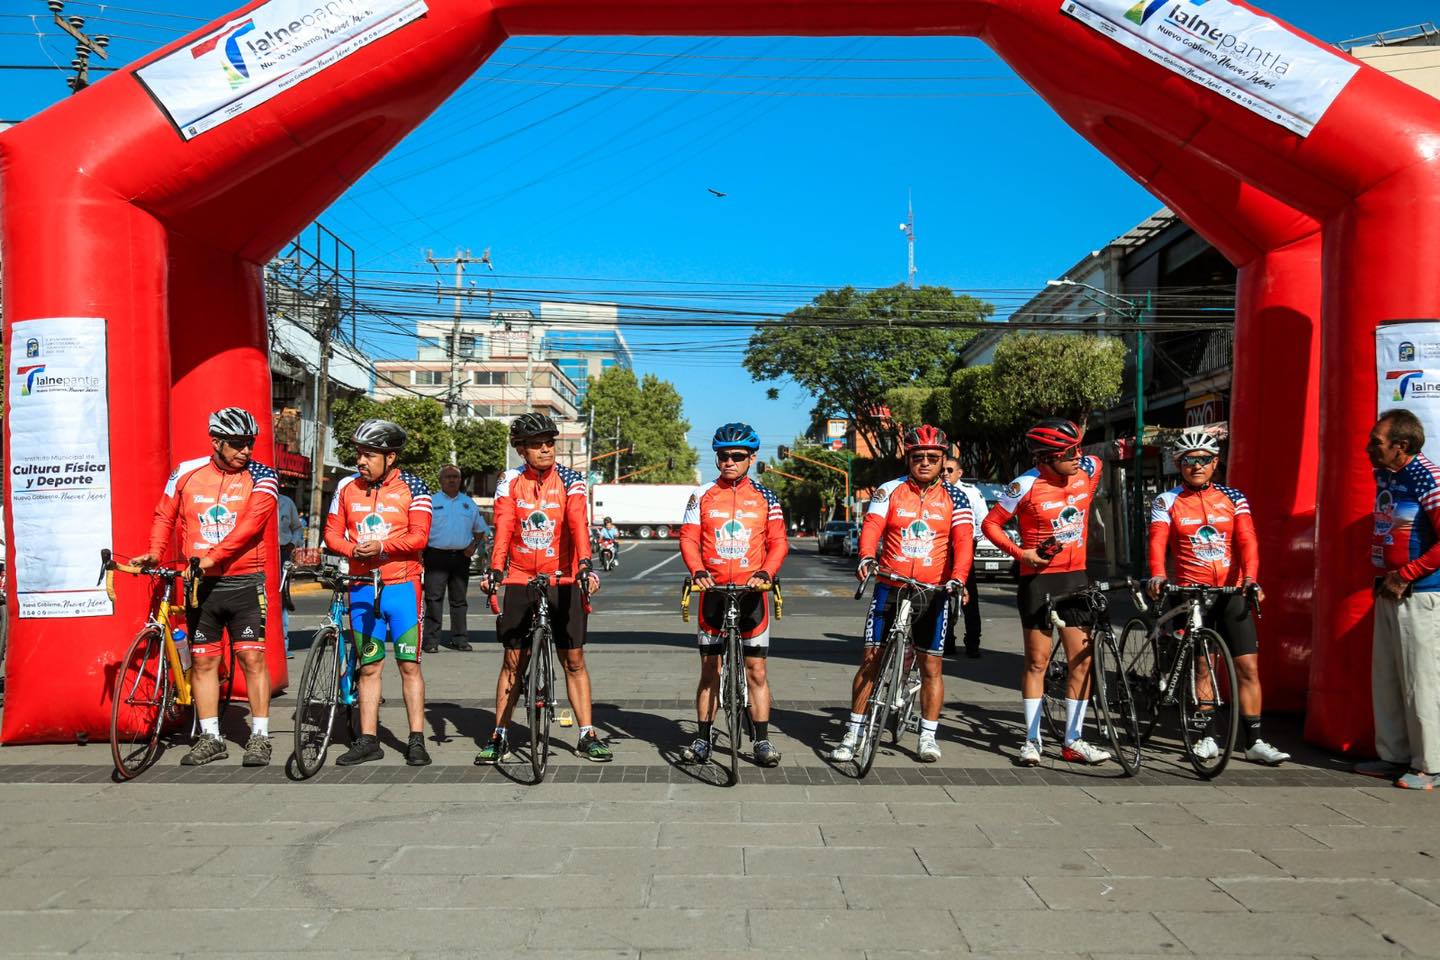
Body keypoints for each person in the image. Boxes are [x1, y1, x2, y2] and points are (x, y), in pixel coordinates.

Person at [133, 407, 279, 767]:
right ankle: (211, 737)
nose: (246, 451)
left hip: (244, 581)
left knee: (252, 658)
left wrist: (212, 557)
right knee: (203, 663)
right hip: (200, 586)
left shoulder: (264, 476)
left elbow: (250, 527)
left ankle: (260, 736)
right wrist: (154, 553)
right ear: (216, 442)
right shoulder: (185, 473)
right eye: (237, 444)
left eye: (250, 444)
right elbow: (164, 514)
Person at [831, 425, 974, 764]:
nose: (925, 463)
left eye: (932, 458)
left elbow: (964, 542)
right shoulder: (890, 490)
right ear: (908, 458)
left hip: (933, 591)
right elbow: (873, 527)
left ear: (943, 460)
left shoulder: (956, 497)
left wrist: (958, 578)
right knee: (870, 661)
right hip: (890, 587)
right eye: (918, 457)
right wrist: (866, 555)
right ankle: (853, 732)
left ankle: (927, 735)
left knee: (932, 667)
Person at [1148, 428, 1290, 766]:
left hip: (1231, 591)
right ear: (1178, 464)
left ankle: (1254, 741)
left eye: (1203, 460)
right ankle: (1207, 736)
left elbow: (1248, 541)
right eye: (1188, 461)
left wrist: (1251, 579)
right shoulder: (1166, 501)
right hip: (1190, 593)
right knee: (1202, 666)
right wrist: (1158, 574)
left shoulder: (1234, 498)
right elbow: (1157, 542)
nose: (1196, 466)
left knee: (1247, 668)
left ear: (1215, 463)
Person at [477, 413, 612, 763]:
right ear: (521, 450)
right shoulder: (509, 480)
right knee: (512, 661)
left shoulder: (571, 480)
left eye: (550, 443)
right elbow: (504, 524)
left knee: (574, 660)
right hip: (520, 575)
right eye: (537, 445)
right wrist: (495, 568)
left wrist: (584, 564)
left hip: (563, 576)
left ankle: (587, 734)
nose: (546, 450)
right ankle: (500, 735)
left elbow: (577, 522)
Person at [983, 418, 1109, 768]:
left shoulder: (1088, 468)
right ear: (1046, 456)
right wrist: (1021, 553)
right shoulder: (1024, 485)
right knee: (1037, 661)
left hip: (1076, 578)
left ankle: (1073, 739)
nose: (1077, 456)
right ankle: (1032, 739)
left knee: (1081, 662)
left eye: (1078, 449)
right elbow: (990, 524)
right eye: (1068, 452)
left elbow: (1099, 458)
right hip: (1039, 580)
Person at [323, 418, 434, 767]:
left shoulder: (415, 488)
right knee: (369, 667)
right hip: (360, 589)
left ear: (390, 458)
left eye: (369, 455)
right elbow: (331, 535)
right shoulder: (346, 488)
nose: (361, 461)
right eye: (359, 454)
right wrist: (352, 551)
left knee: (409, 666)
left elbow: (420, 537)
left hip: (402, 587)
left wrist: (383, 547)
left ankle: (416, 739)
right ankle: (368, 739)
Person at [679, 422, 789, 767]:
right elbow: (688, 538)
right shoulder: (701, 495)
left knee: (756, 670)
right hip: (712, 591)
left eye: (737, 456)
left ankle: (761, 741)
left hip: (751, 593)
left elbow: (779, 542)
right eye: (723, 455)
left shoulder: (766, 496)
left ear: (752, 458)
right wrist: (697, 570)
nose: (729, 461)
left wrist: (766, 573)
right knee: (710, 670)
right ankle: (702, 738)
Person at [1359, 409, 1440, 789]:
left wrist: (1407, 574)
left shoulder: (1428, 478)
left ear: (1401, 446)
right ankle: (1393, 755)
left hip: (1419, 592)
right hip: (1387, 588)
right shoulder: (1388, 474)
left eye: (1376, 443)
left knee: (1420, 680)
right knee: (1387, 676)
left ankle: (1431, 764)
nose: (1367, 449)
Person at [423, 464, 491, 654]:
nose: (452, 480)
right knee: (433, 599)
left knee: (459, 601)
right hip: (436, 556)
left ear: (460, 480)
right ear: (440, 480)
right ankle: (431, 641)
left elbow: (480, 529)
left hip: (461, 557)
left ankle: (460, 639)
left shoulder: (468, 503)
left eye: (455, 477)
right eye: (448, 477)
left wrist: (472, 547)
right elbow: (421, 530)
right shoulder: (430, 502)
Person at [942, 455, 986, 659]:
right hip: (941, 550)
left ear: (960, 473)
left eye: (950, 470)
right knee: (942, 596)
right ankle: (947, 640)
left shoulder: (970, 493)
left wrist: (970, 541)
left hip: (963, 547)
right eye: (943, 469)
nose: (945, 473)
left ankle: (973, 642)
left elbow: (983, 520)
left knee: (969, 598)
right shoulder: (937, 491)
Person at [276, 490, 304, 568]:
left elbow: (297, 528)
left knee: (282, 579)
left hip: (283, 552)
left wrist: (292, 544)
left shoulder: (287, 502)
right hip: (259, 553)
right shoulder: (254, 499)